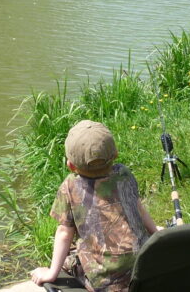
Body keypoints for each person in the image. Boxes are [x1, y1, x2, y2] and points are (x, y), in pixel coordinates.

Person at [31, 120, 158, 291]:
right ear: (115, 155)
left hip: (106, 282)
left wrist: (52, 272)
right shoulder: (124, 174)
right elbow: (138, 209)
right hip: (143, 267)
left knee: (71, 259)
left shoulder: (70, 186)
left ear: (70, 165)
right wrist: (157, 235)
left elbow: (64, 233)